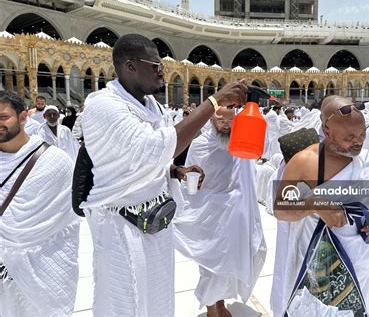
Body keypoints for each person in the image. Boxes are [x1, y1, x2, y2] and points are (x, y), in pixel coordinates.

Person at [79, 34, 246, 316]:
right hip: (120, 223)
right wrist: (214, 103)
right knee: (127, 300)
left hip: (154, 217)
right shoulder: (104, 105)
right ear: (130, 66)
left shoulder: (152, 106)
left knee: (157, 297)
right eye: (154, 64)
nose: (161, 70)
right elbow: (151, 149)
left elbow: (143, 160)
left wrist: (175, 170)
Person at [272, 96, 369, 316]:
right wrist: (315, 204)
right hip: (318, 256)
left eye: (362, 135)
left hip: (362, 256)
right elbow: (280, 209)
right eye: (350, 137)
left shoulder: (364, 157)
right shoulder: (304, 161)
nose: (358, 142)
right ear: (328, 132)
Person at [173, 107, 267, 317]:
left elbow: (247, 179)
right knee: (210, 267)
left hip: (234, 216)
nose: (225, 124)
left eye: (230, 119)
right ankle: (211, 310)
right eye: (220, 118)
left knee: (226, 266)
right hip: (209, 215)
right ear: (211, 118)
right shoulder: (199, 145)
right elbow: (190, 178)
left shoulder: (242, 144)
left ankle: (221, 304)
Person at [0, 91, 80, 317]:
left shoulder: (55, 162)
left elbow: (66, 223)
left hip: (44, 271)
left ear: (23, 117)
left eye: (3, 117)